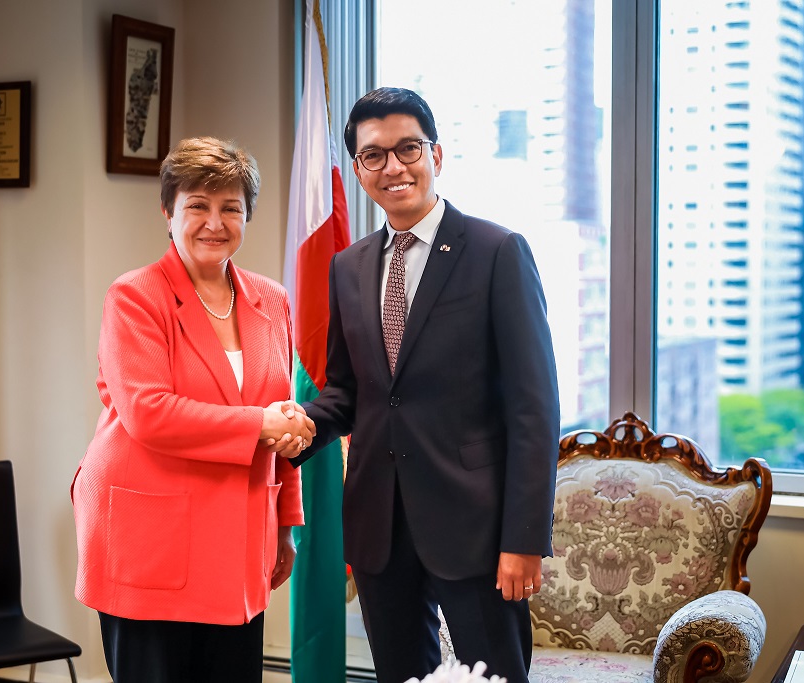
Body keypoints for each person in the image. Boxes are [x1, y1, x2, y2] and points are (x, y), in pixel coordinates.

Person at [290, 87, 560, 683]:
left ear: (437, 153)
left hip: (477, 533)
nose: (394, 167)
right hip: (379, 529)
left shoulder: (497, 252)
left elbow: (534, 411)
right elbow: (347, 391)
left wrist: (524, 540)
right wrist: (294, 426)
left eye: (407, 148)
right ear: (358, 170)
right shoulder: (348, 266)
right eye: (374, 155)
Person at [71, 136, 315, 683]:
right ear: (168, 211)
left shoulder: (271, 298)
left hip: (240, 539)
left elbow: (280, 412)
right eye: (197, 206)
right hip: (151, 542)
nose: (215, 222)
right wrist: (264, 424)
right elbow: (149, 412)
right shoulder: (134, 296)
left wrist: (285, 523)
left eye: (231, 207)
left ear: (247, 215)